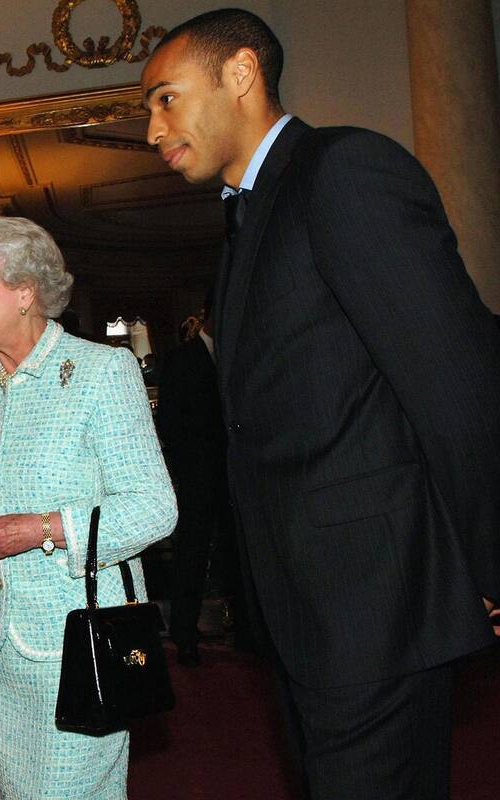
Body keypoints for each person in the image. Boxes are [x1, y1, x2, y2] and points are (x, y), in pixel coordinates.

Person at [141, 9, 500, 798]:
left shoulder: (342, 170)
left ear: (241, 74)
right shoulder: (246, 215)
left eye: (166, 98)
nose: (151, 128)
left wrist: (485, 563)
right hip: (311, 608)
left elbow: (455, 374)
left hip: (383, 601)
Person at [0, 216, 177, 798]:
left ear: (25, 293)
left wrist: (42, 528)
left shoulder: (101, 372)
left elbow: (154, 507)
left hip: (80, 637)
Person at [155, 293, 238, 666]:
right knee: (192, 554)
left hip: (237, 478)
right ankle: (185, 634)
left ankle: (245, 629)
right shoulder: (180, 359)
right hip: (197, 476)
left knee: (236, 555)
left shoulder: (240, 355)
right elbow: (169, 423)